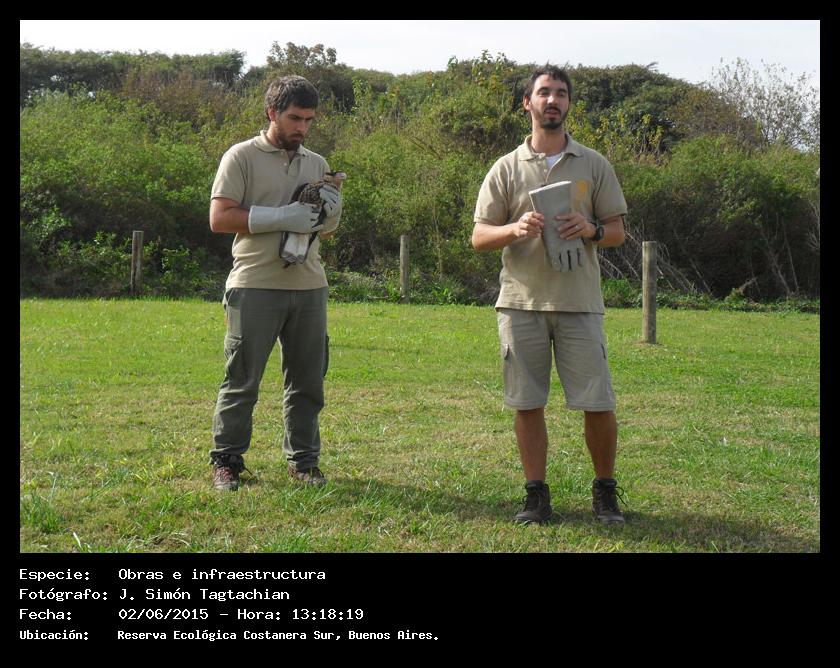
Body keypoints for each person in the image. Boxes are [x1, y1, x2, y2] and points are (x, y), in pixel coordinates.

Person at [471, 65, 628, 524]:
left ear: (569, 103)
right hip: (521, 303)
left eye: (560, 93)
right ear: (528, 103)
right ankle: (536, 496)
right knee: (527, 402)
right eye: (544, 93)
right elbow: (479, 236)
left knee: (598, 402)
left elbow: (617, 231)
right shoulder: (506, 167)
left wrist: (591, 228)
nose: (552, 100)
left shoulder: (593, 164)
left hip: (580, 303)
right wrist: (515, 228)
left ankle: (605, 493)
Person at [207, 75, 343, 491]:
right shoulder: (241, 156)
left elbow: (324, 230)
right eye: (294, 118)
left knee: (308, 382)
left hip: (309, 285)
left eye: (309, 120)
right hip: (254, 284)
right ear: (272, 113)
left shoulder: (317, 163)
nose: (302, 128)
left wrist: (331, 216)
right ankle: (227, 462)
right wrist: (281, 216)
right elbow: (219, 218)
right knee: (242, 379)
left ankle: (304, 463)